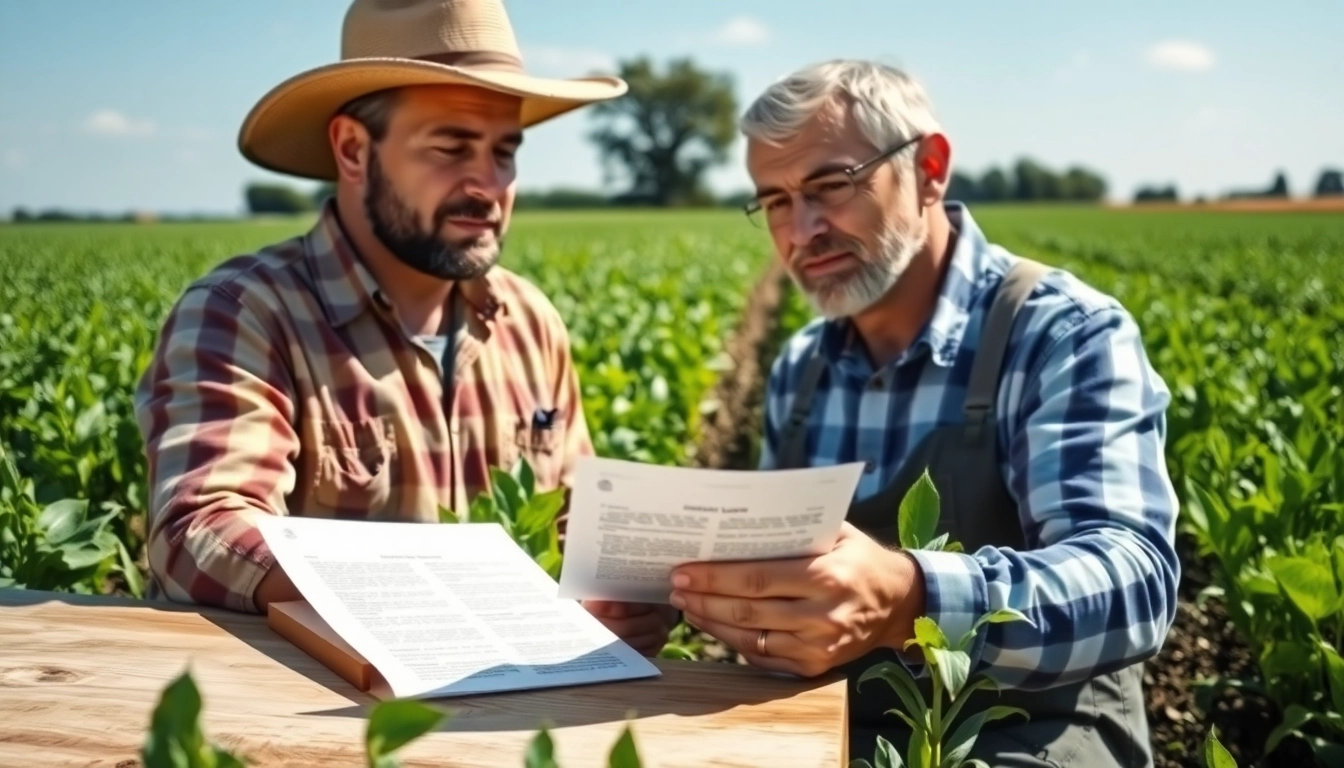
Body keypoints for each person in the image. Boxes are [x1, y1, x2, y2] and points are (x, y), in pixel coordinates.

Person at [667, 59, 1180, 766]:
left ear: (930, 168)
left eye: (830, 186)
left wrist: (913, 601)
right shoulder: (800, 371)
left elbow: (1135, 583)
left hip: (1032, 737)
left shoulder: (1060, 335)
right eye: (776, 201)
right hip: (835, 733)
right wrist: (688, 598)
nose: (800, 231)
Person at [134, 0, 676, 656]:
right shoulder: (246, 314)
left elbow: (576, 524)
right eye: (452, 148)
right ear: (353, 149)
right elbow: (204, 534)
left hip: (529, 718)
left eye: (504, 153)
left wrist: (621, 594)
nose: (488, 185)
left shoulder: (530, 322)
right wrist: (443, 603)